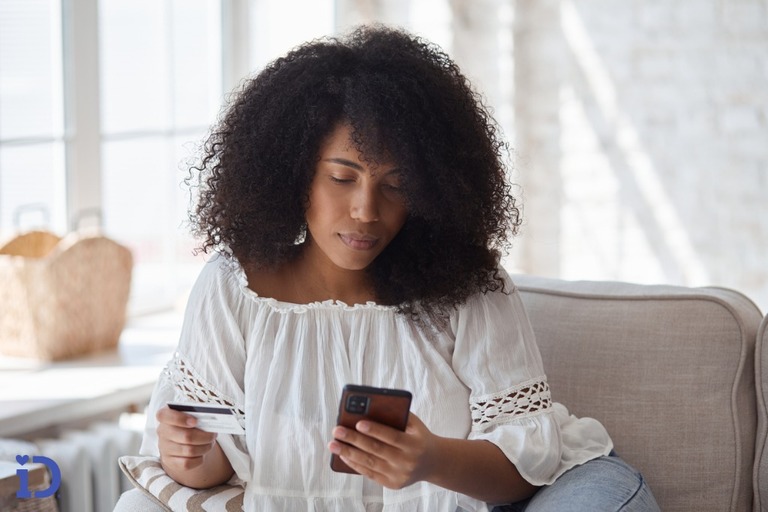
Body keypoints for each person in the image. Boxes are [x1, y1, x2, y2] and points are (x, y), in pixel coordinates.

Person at [116, 25, 659, 511]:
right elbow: (206, 472)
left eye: (396, 184)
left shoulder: (468, 287)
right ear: (294, 170)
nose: (366, 211)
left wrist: (430, 461)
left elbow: (527, 469)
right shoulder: (234, 287)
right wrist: (187, 450)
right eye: (342, 177)